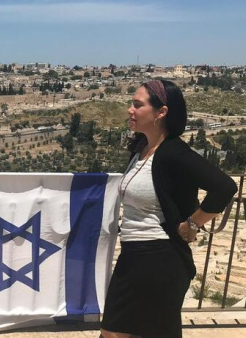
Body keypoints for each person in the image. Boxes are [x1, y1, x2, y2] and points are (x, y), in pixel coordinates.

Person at [100, 80, 238, 338]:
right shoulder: (142, 149)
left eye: (137, 105)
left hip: (159, 259)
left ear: (161, 112)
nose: (130, 110)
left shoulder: (173, 152)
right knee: (113, 332)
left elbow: (224, 187)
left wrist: (193, 224)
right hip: (133, 256)